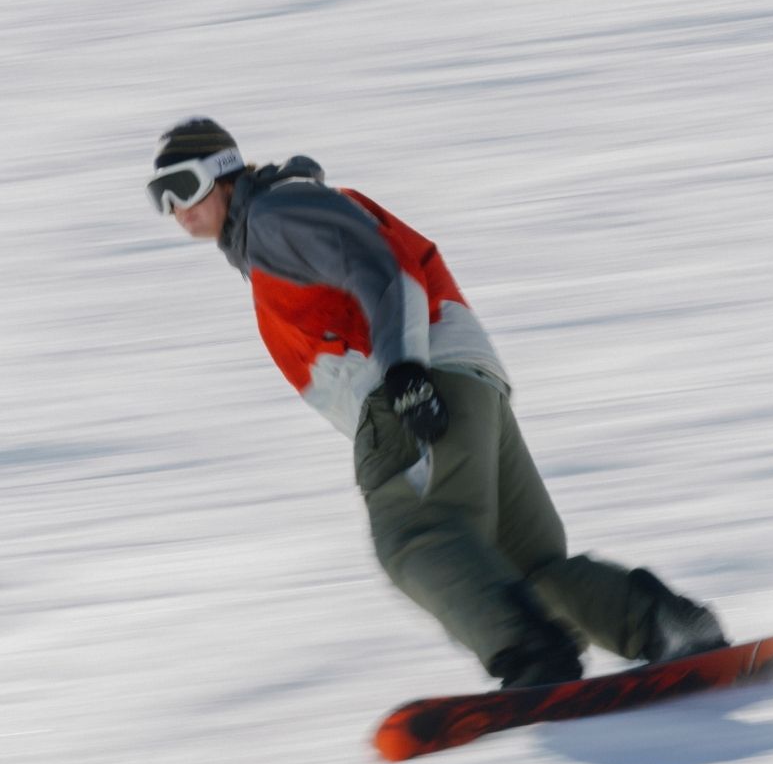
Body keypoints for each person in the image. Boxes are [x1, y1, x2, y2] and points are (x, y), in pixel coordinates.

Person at [146, 116, 728, 689]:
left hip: (416, 387)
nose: (178, 209)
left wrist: (404, 373)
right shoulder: (285, 221)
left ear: (223, 173)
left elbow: (385, 272)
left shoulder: (274, 216)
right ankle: (665, 625)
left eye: (185, 186)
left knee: (413, 536)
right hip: (470, 385)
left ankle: (533, 655)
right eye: (161, 198)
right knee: (524, 566)